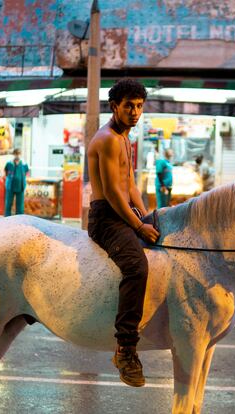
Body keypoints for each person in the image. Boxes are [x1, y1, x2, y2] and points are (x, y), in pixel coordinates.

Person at [87, 78, 160, 387]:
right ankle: (125, 349)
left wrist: (147, 216)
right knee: (136, 266)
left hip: (124, 213)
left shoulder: (125, 139)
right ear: (114, 106)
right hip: (106, 218)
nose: (135, 112)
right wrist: (137, 223)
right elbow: (115, 193)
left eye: (139, 106)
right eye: (128, 105)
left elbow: (130, 184)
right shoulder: (105, 139)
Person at [4, 148, 29, 216]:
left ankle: (19, 220)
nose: (17, 156)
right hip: (10, 187)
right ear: (13, 155)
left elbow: (27, 172)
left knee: (20, 206)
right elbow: (6, 172)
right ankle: (7, 219)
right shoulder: (9, 163)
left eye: (18, 154)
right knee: (8, 204)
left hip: (20, 187)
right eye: (16, 154)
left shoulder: (23, 164)